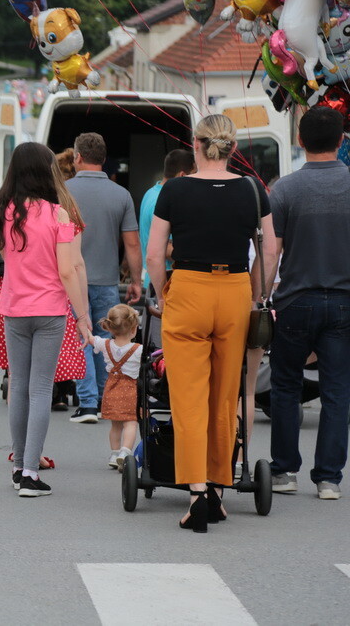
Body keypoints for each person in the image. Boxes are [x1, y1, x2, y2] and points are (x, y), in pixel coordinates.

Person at [147, 114, 275, 533]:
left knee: (187, 396)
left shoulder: (175, 189)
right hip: (236, 288)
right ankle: (220, 487)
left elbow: (153, 254)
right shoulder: (254, 190)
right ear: (232, 147)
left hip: (188, 286)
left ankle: (198, 493)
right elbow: (269, 251)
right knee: (226, 395)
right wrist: (258, 295)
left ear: (197, 145)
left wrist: (165, 292)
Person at [0, 142, 91, 497]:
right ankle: (31, 471)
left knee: (18, 385)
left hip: (13, 308)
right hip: (49, 310)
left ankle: (18, 466)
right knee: (42, 388)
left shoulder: (2, 212)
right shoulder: (58, 214)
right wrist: (82, 316)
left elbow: (1, 256)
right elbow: (69, 269)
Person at [266, 106, 350, 500]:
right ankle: (329, 477)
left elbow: (270, 254)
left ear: (300, 140)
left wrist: (262, 298)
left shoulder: (284, 189)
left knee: (286, 385)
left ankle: (284, 472)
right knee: (337, 389)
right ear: (341, 139)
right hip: (344, 302)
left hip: (295, 299)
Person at [65, 133, 142, 424]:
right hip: (107, 279)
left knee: (80, 338)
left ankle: (87, 404)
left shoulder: (64, 192)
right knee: (107, 340)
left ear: (78, 157)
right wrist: (135, 280)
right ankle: (103, 398)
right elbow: (132, 243)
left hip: (71, 278)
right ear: (104, 159)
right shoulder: (120, 194)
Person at [88, 304, 140, 469]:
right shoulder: (138, 350)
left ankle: (114, 453)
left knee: (115, 425)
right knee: (131, 422)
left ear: (110, 328)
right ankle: (125, 452)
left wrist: (85, 327)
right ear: (133, 329)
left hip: (111, 389)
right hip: (130, 390)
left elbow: (91, 339)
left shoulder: (105, 345)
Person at [139, 150, 194, 288]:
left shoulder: (150, 193)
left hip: (151, 279)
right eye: (194, 175)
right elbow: (167, 248)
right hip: (164, 283)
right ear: (182, 175)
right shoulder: (165, 201)